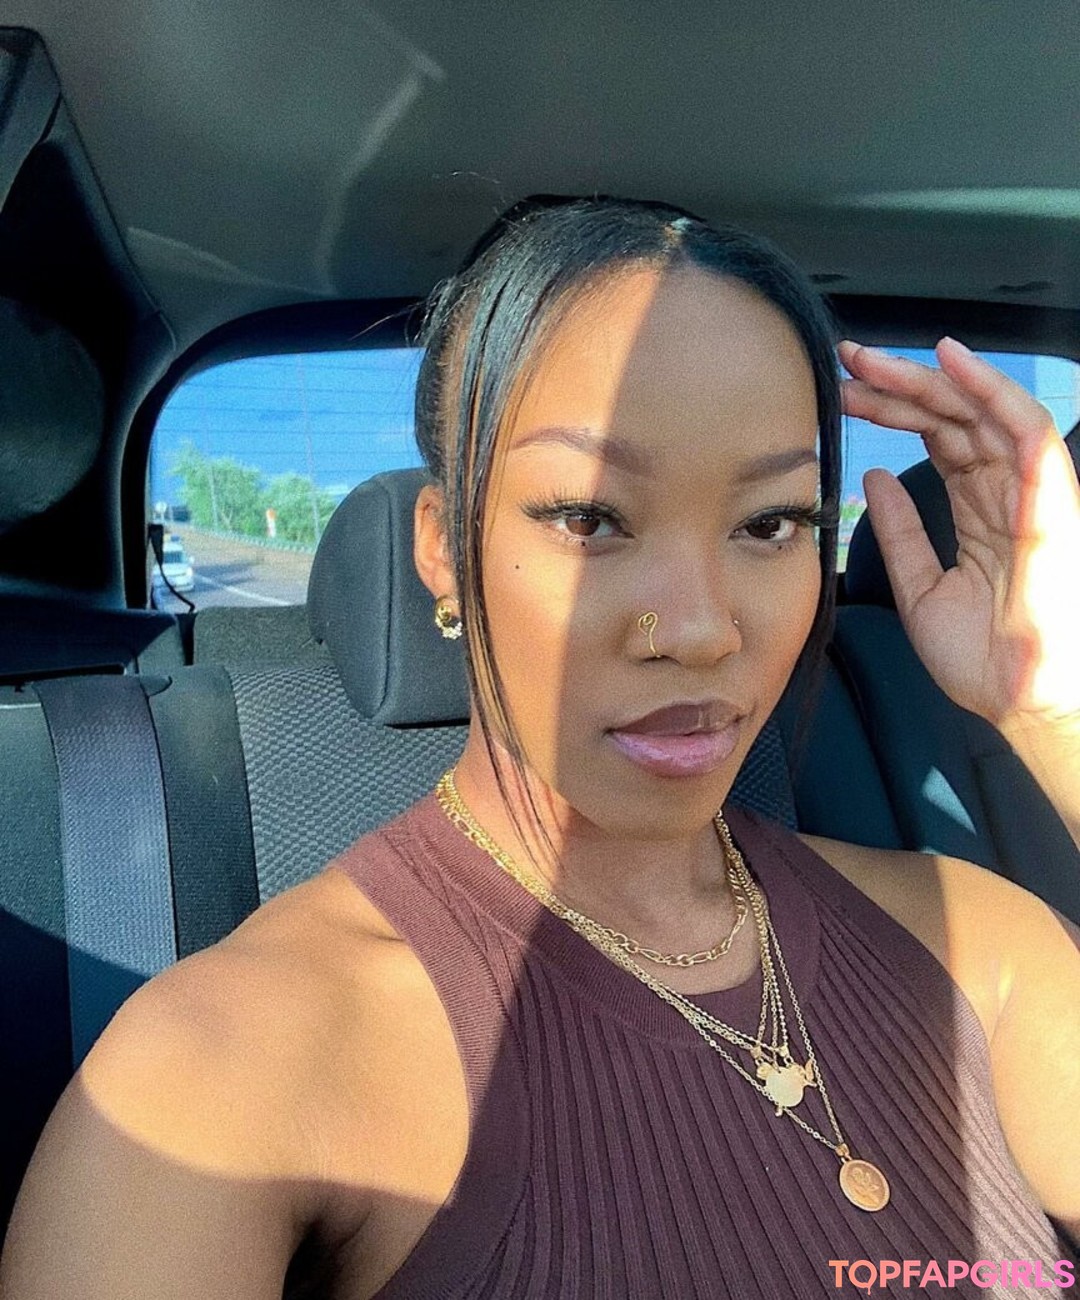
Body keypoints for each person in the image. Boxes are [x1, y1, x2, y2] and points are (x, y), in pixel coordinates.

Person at [2, 198, 1078, 1299]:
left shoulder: (977, 943)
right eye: (589, 517)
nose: (701, 630)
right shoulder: (226, 1069)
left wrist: (1054, 710)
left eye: (771, 523)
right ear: (442, 548)